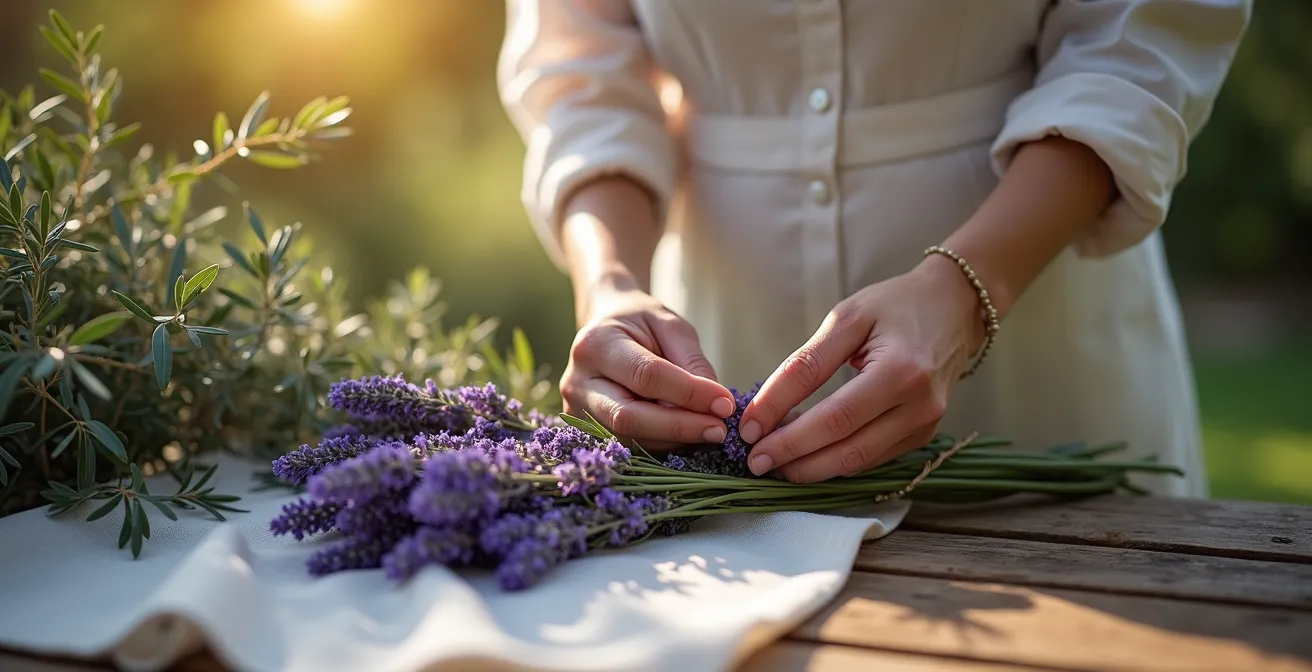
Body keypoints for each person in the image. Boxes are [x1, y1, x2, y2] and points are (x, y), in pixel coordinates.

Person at [496, 0, 1250, 497]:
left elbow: (1140, 39)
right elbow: (580, 71)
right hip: (721, 341)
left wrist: (966, 293)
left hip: (1037, 343)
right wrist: (610, 285)